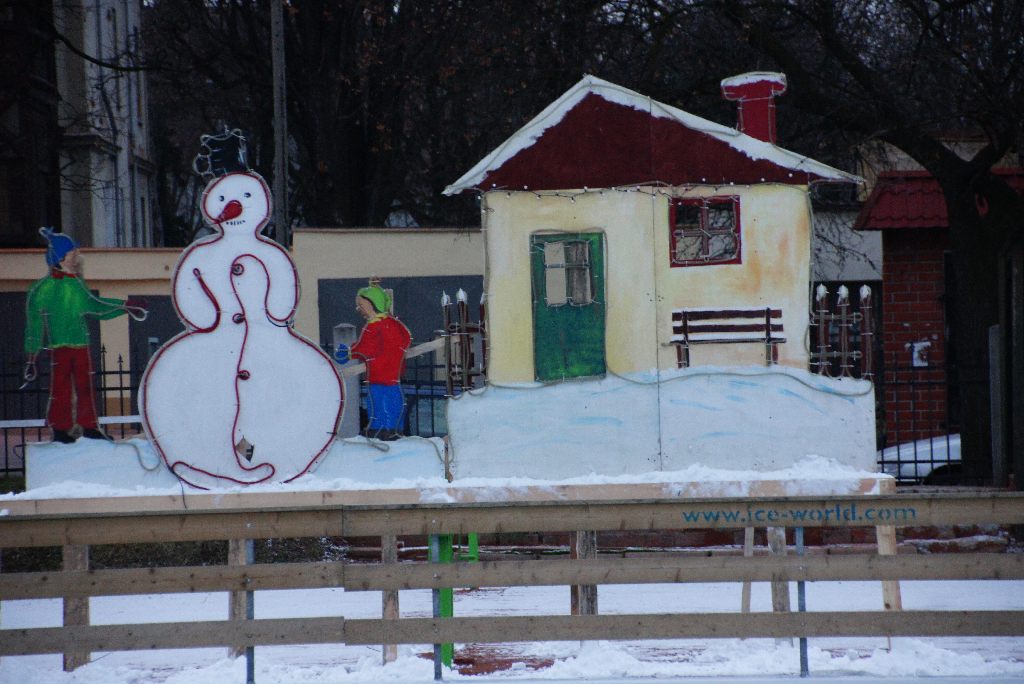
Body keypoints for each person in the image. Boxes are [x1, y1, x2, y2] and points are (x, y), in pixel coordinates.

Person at [23, 228, 147, 444]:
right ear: (61, 257)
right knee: (60, 389)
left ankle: (89, 426)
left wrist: (124, 307)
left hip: (81, 344)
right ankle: (61, 428)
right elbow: (34, 325)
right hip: (59, 346)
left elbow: (95, 306)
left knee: (84, 385)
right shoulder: (43, 288)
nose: (77, 257)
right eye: (73, 253)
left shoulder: (75, 284)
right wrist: (31, 357)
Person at [334, 280, 411, 441]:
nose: (359, 309)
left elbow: (365, 347)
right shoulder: (390, 325)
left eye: (361, 305)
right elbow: (403, 340)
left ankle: (384, 429)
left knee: (380, 401)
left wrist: (348, 353)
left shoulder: (376, 327)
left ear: (372, 304)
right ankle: (389, 428)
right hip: (387, 373)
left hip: (380, 373)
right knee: (386, 400)